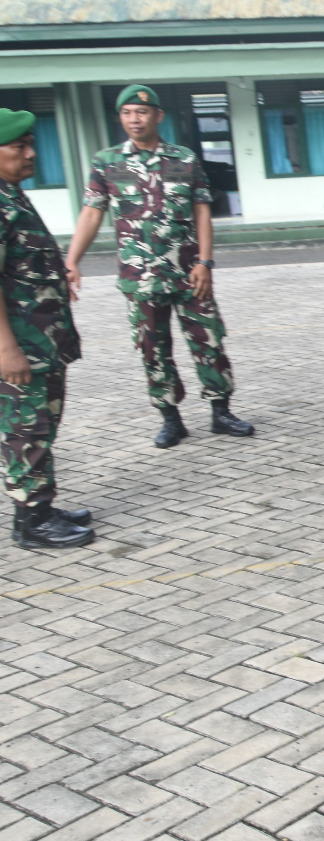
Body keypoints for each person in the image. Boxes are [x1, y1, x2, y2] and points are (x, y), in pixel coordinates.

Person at [65, 84, 255, 449]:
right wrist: (72, 260)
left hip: (189, 273)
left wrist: (205, 261)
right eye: (127, 113)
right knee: (153, 349)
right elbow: (91, 213)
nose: (134, 119)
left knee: (209, 341)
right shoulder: (107, 162)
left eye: (141, 112)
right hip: (140, 278)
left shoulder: (183, 158)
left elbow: (202, 210)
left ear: (158, 116)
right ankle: (171, 419)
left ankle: (221, 412)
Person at [0, 110, 92, 549]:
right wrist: (6, 349)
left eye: (31, 144)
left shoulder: (12, 195)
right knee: (26, 429)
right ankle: (32, 523)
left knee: (42, 424)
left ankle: (40, 507)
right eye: (19, 147)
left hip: (43, 340)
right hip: (22, 344)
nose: (31, 153)